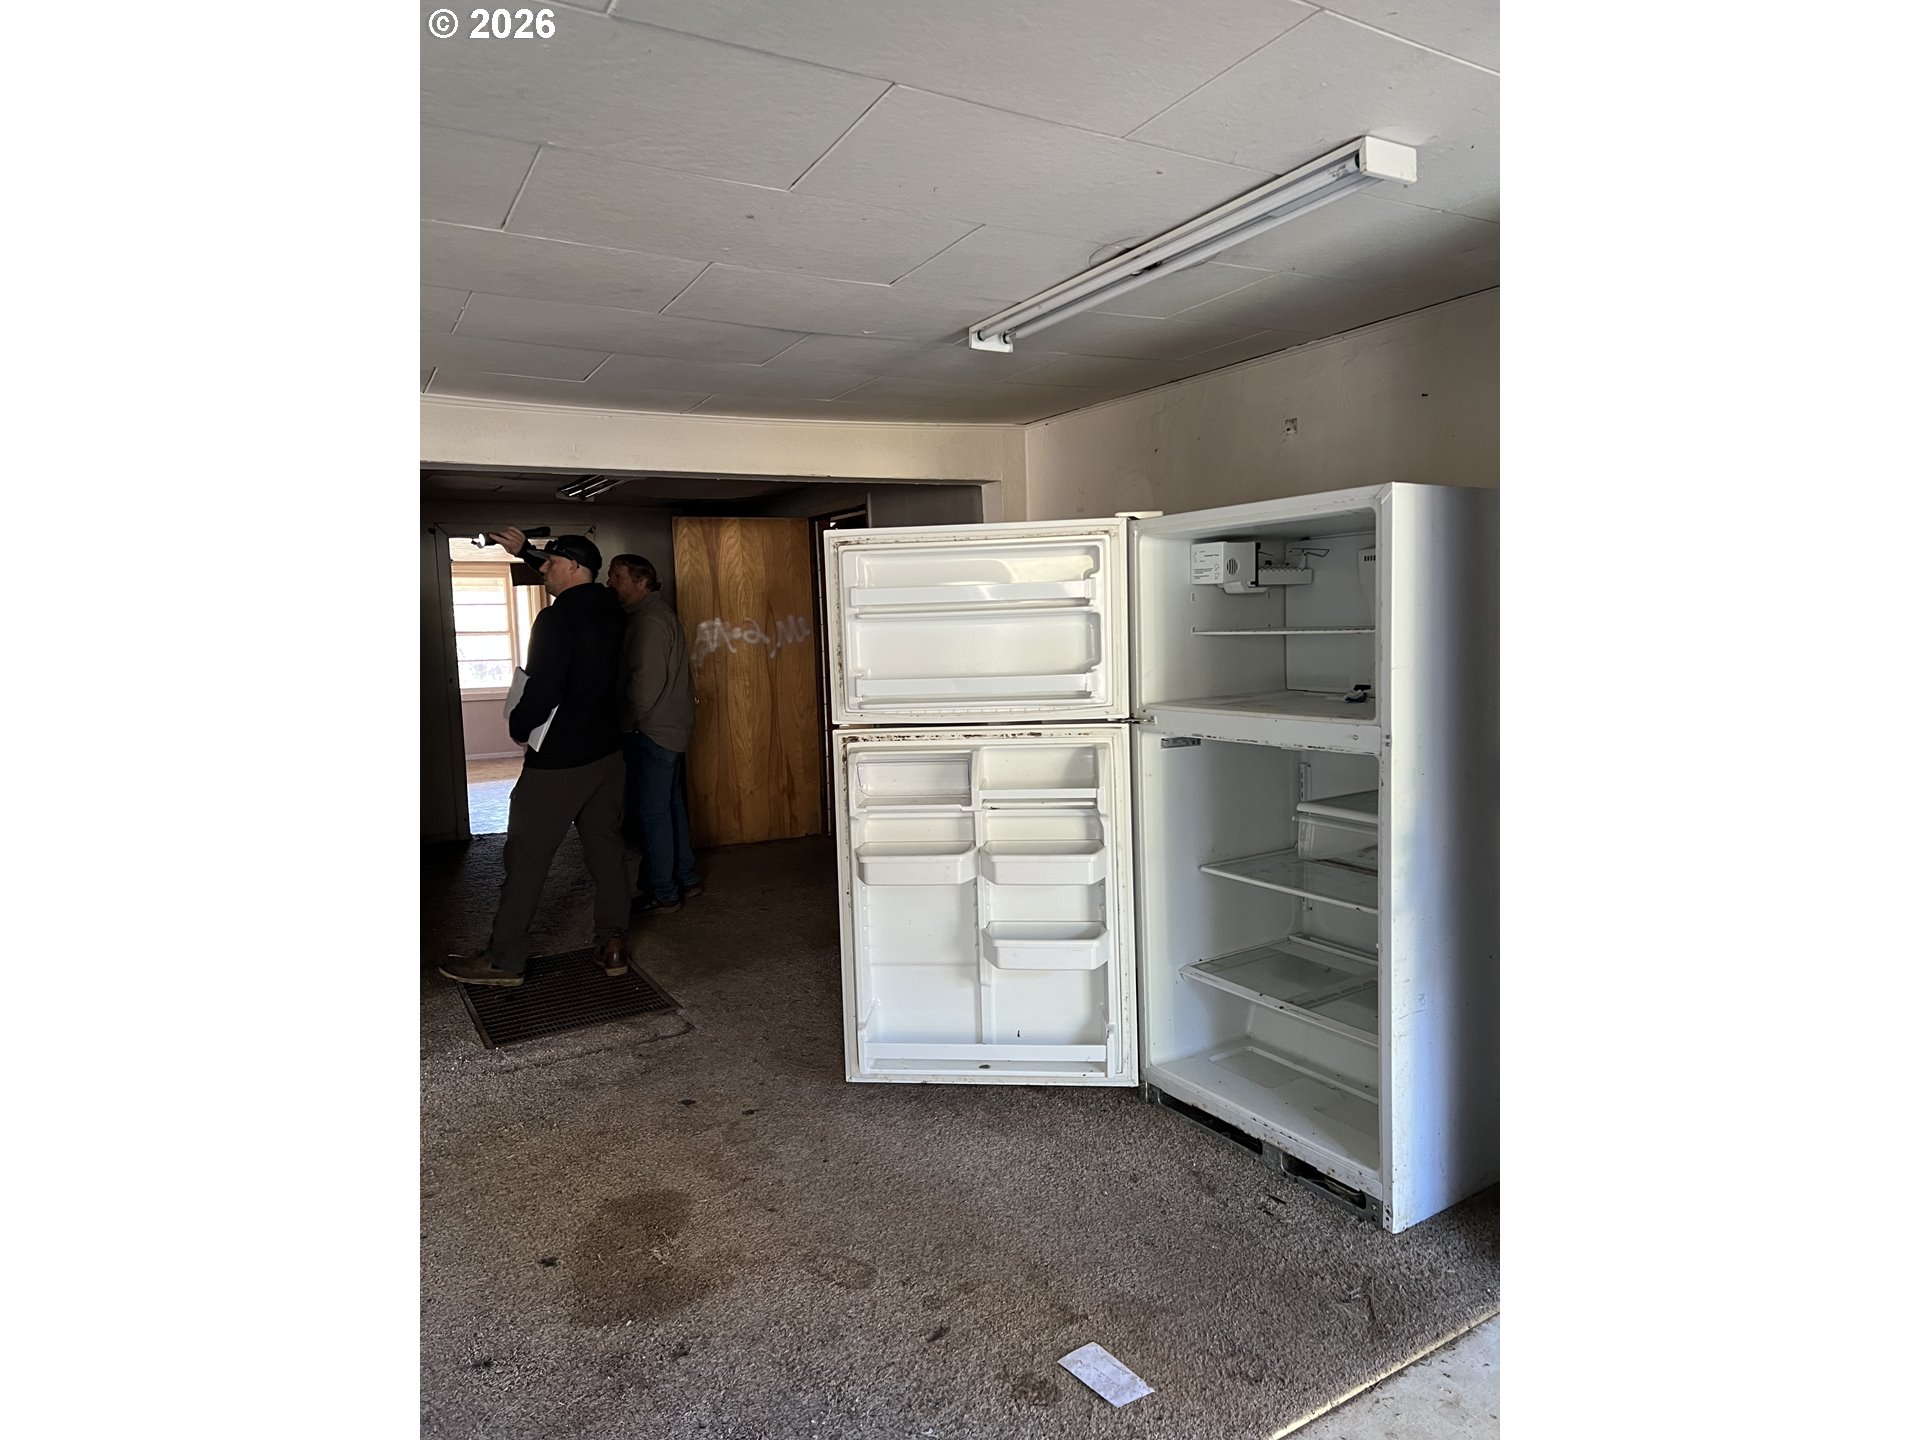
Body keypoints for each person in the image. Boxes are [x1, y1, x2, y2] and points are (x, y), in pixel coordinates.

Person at [439, 529, 633, 986]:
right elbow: (572, 572)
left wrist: (519, 726)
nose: (542, 570)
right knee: (606, 851)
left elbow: (545, 688)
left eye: (550, 564)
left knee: (526, 858)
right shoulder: (612, 607)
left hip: (559, 763)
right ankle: (613, 942)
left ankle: (504, 959)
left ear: (573, 568)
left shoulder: (555, 619)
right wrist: (523, 550)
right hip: (607, 756)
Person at [605, 553, 702, 914]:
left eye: (617, 576)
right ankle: (685, 878)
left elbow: (645, 685)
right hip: (668, 730)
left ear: (642, 581)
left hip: (653, 732)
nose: (610, 583)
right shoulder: (654, 615)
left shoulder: (649, 621)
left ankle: (663, 891)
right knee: (669, 807)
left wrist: (625, 724)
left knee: (652, 814)